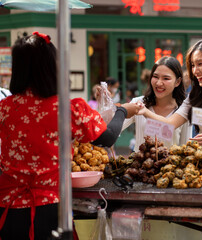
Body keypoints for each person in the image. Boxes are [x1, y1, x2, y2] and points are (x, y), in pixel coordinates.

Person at [0, 32, 141, 240]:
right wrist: (123, 111)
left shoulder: (5, 108)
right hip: (50, 209)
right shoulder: (68, 108)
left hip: (8, 207)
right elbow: (108, 137)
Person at [121, 56, 191, 151]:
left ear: (177, 82)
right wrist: (103, 103)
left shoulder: (183, 109)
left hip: (171, 165)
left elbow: (185, 148)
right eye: (155, 77)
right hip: (140, 165)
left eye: (166, 78)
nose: (158, 83)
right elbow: (113, 126)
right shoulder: (138, 103)